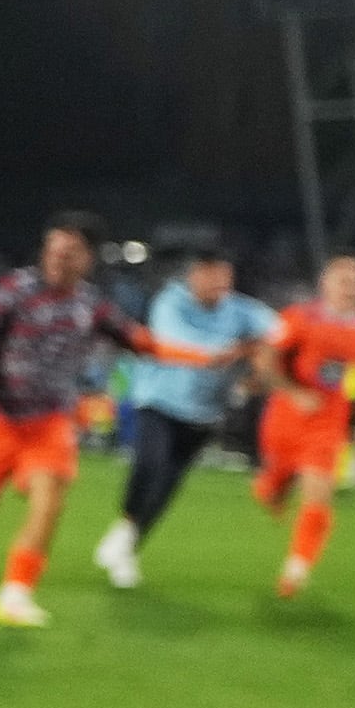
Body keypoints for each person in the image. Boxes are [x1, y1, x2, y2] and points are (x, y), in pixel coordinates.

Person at [0, 221, 211, 627]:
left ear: (86, 259)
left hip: (49, 421)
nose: (58, 260)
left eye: (69, 253)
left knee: (51, 500)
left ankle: (15, 594)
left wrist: (202, 358)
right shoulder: (14, 291)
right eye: (53, 251)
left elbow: (141, 343)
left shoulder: (91, 306)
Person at [89, 246, 276, 590]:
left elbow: (280, 330)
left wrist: (260, 349)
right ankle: (127, 529)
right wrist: (238, 349)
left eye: (225, 276)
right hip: (158, 401)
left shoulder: (241, 309)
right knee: (148, 464)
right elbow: (182, 345)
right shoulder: (170, 303)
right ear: (194, 276)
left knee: (167, 486)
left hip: (204, 413)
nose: (220, 283)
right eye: (212, 275)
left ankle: (128, 547)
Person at [248, 254, 355, 598]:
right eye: (342, 280)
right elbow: (266, 356)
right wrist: (292, 392)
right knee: (273, 487)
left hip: (327, 423)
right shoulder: (298, 317)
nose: (349, 287)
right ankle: (271, 488)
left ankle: (296, 568)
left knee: (318, 496)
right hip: (285, 418)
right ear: (325, 284)